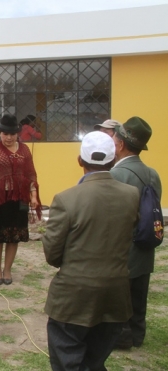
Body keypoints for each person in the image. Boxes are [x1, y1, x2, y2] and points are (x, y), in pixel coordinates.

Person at [43, 131, 139, 371]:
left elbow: (52, 253)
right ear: (114, 159)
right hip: (115, 294)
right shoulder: (131, 195)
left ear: (80, 160)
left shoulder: (66, 199)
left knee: (67, 360)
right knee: (95, 360)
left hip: (73, 297)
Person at [110, 116, 162, 350]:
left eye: (113, 137)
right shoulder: (153, 174)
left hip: (122, 247)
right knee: (140, 294)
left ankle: (122, 337)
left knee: (121, 296)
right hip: (145, 244)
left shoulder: (116, 175)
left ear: (120, 144)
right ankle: (137, 334)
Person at [0, 114, 41, 285]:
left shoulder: (24, 150)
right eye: (4, 134)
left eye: (12, 134)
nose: (8, 137)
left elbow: (30, 174)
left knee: (14, 236)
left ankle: (7, 270)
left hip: (19, 200)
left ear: (17, 134)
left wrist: (34, 195)